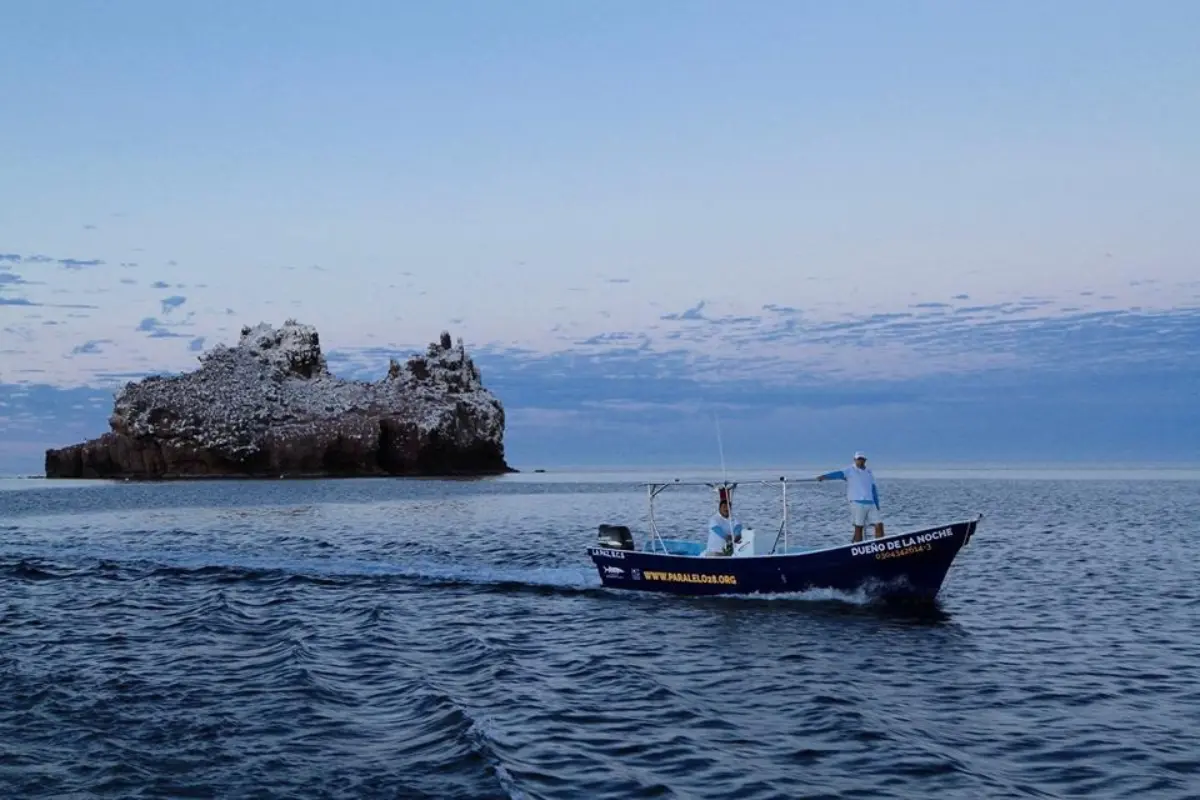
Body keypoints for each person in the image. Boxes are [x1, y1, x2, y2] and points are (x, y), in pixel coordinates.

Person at [817, 451, 884, 542]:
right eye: (858, 459)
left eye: (861, 459)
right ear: (854, 460)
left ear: (865, 460)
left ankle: (881, 545)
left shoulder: (869, 472)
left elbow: (873, 488)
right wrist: (824, 477)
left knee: (879, 524)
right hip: (857, 502)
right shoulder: (849, 470)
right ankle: (856, 547)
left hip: (871, 502)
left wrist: (877, 504)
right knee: (858, 527)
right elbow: (838, 474)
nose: (860, 461)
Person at [704, 491, 744, 556]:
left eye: (728, 507)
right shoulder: (714, 519)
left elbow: (738, 528)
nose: (726, 509)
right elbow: (719, 532)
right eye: (724, 507)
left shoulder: (734, 519)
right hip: (714, 552)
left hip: (728, 552)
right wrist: (731, 538)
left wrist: (737, 535)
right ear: (719, 508)